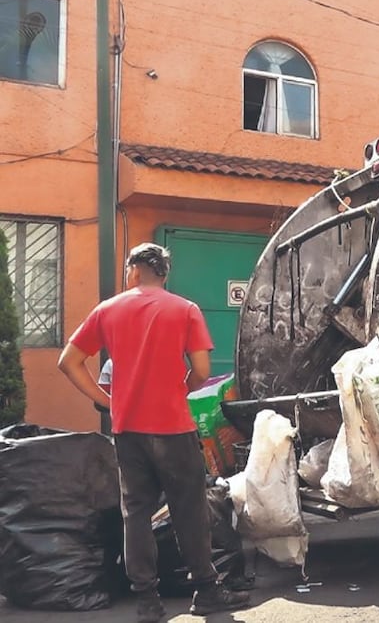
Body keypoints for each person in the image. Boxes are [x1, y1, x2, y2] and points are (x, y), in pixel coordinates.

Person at [58, 243, 250, 622]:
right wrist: (184, 387)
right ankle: (207, 592)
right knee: (189, 511)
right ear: (164, 274)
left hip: (128, 429)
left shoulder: (107, 310)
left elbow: (69, 362)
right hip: (174, 427)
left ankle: (147, 602)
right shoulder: (185, 309)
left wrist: (106, 400)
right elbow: (200, 367)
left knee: (137, 515)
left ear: (132, 272)